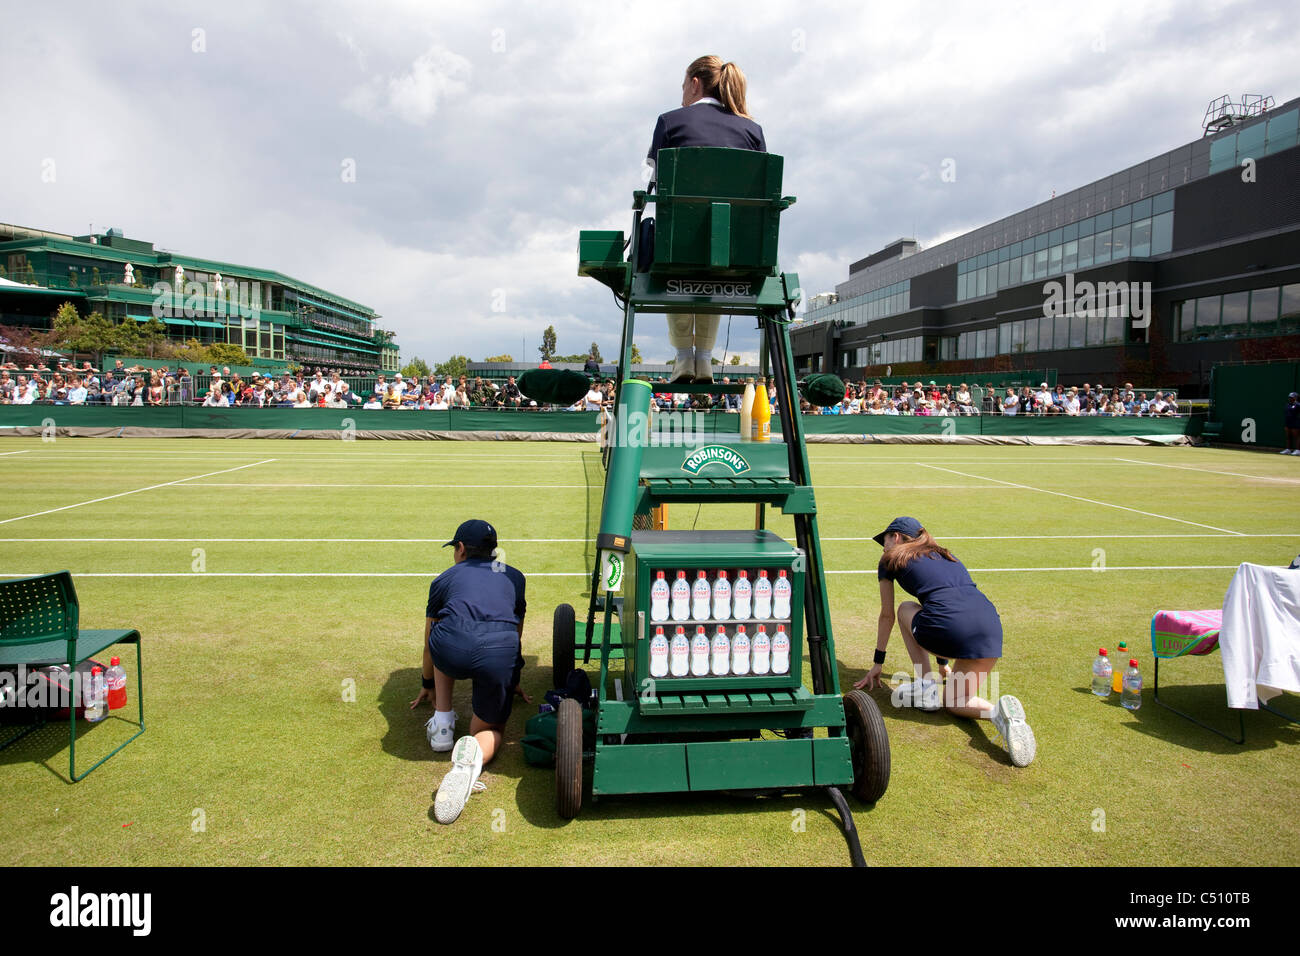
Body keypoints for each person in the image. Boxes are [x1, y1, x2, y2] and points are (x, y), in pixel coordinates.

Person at [853, 516, 1036, 767]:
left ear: (895, 537)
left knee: (906, 608)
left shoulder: (890, 558)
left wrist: (878, 663)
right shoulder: (947, 556)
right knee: (955, 702)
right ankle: (1000, 715)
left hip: (949, 628)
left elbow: (887, 615)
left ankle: (926, 687)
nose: (883, 547)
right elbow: (946, 605)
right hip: (990, 627)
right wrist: (943, 663)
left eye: (884, 540)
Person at [647, 56, 766, 384]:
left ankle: (685, 358)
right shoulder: (752, 131)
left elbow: (658, 184)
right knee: (715, 262)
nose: (682, 91)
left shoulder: (670, 121)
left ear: (696, 82)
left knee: (675, 256)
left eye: (684, 84)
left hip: (677, 250)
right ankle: (704, 359)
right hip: (735, 253)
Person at [410, 520, 531, 824]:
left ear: (460, 549)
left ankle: (442, 722)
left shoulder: (443, 579)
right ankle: (468, 762)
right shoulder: (515, 577)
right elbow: (515, 635)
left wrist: (427, 683)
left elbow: (428, 645)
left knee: (442, 633)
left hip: (451, 648)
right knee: (492, 728)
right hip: (499, 653)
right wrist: (510, 678)